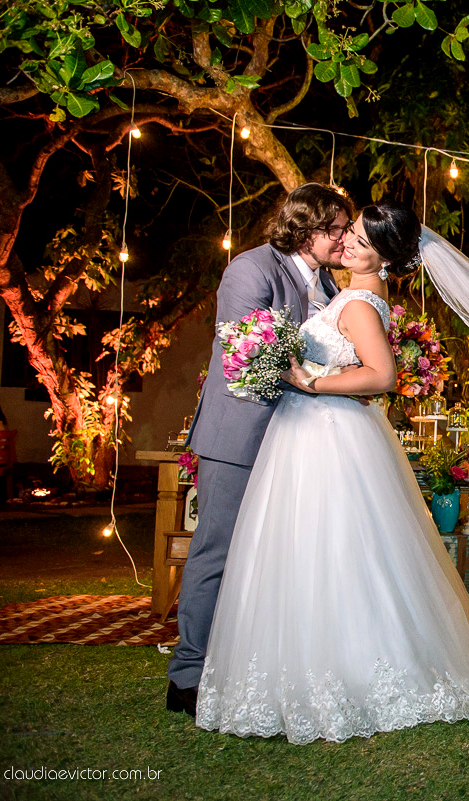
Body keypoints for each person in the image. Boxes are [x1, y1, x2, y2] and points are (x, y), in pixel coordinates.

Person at [195, 204, 469, 744]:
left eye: (358, 239)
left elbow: (382, 375)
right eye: (348, 234)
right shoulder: (349, 293)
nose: (347, 244)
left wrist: (311, 382)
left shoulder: (358, 301)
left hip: (324, 431)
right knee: (319, 550)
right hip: (313, 432)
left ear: (384, 256)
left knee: (334, 549)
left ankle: (352, 668)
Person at [167, 184, 353, 716]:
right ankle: (188, 676)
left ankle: (256, 668)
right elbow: (247, 354)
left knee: (284, 554)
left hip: (298, 441)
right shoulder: (251, 270)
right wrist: (330, 378)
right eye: (336, 229)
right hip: (241, 435)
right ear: (305, 228)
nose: (343, 239)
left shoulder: (327, 281)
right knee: (218, 551)